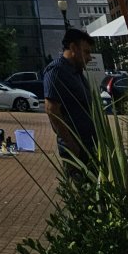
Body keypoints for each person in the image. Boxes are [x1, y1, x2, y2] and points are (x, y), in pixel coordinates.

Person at [43, 28, 96, 170]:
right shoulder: (57, 70)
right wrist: (72, 146)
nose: (90, 58)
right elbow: (51, 110)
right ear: (73, 48)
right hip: (77, 152)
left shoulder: (77, 73)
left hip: (90, 146)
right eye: (86, 52)